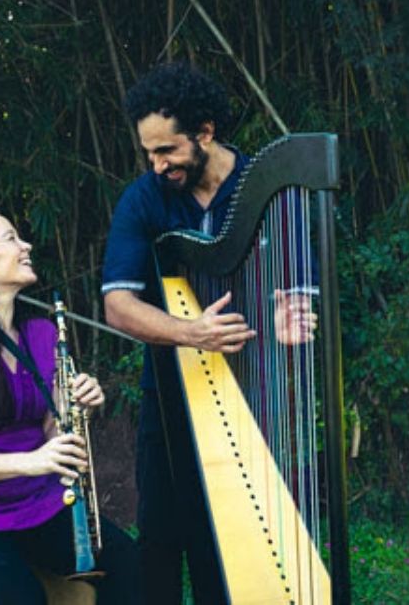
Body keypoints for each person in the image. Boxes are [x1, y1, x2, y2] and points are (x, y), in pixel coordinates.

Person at [101, 62, 318, 603]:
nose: (157, 164)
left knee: (230, 550)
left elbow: (293, 297)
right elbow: (118, 306)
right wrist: (190, 331)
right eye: (149, 153)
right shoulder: (144, 198)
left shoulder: (268, 191)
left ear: (204, 133)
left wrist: (291, 324)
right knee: (160, 541)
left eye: (167, 150)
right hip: (170, 395)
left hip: (253, 393)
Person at [0, 213, 136, 605]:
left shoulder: (41, 334)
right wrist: (32, 461)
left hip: (35, 503)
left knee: (132, 565)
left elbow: (53, 433)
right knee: (22, 598)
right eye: (12, 238)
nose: (27, 246)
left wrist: (77, 406)